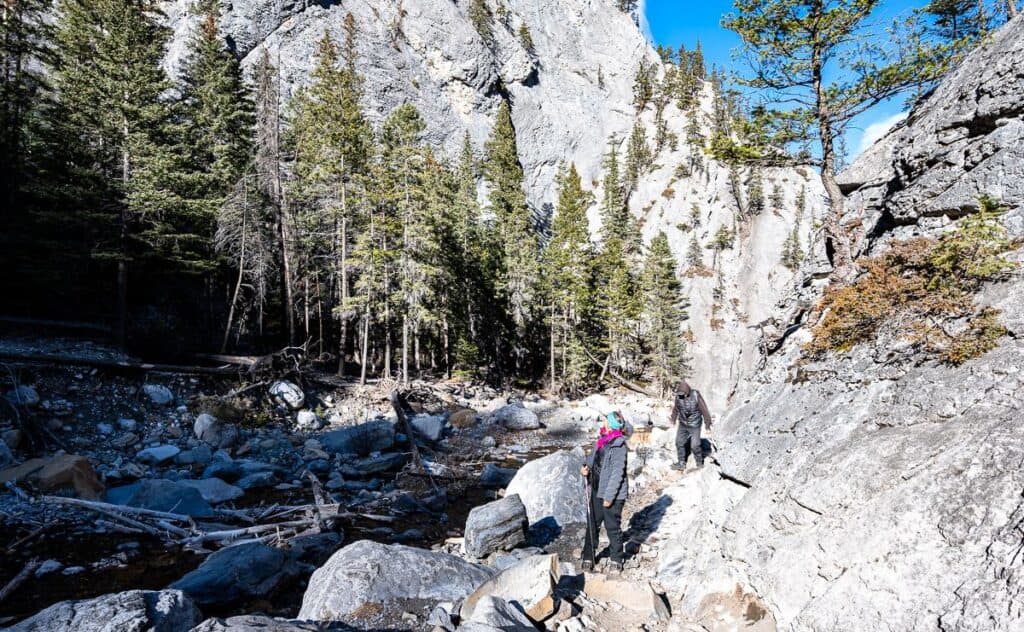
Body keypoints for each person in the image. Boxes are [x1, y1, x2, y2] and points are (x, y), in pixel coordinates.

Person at [579, 411, 629, 573]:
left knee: (612, 526)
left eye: (606, 421)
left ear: (611, 425)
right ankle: (588, 555)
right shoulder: (601, 441)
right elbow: (592, 459)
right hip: (596, 488)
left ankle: (616, 559)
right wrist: (585, 467)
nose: (603, 423)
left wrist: (609, 497)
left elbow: (618, 473)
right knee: (592, 524)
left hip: (611, 494)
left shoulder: (619, 446)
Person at [670, 380, 712, 471]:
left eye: (683, 394)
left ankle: (699, 463)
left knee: (695, 445)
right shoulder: (678, 397)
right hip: (683, 423)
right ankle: (681, 463)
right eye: (680, 394)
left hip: (695, 424)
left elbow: (705, 411)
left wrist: (707, 425)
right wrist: (673, 419)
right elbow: (676, 409)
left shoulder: (696, 396)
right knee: (679, 442)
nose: (681, 395)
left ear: (687, 392)